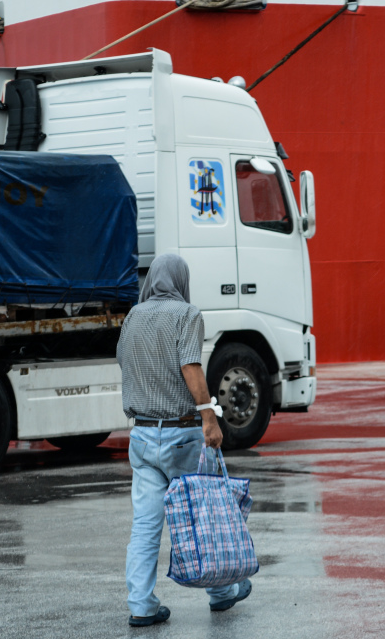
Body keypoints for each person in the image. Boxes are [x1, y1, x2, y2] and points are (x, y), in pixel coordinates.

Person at [117, 253, 252, 628]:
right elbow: (190, 366)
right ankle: (222, 593)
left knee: (145, 525)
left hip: (142, 435)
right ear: (180, 280)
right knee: (201, 514)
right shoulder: (186, 314)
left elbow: (124, 362)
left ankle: (142, 606)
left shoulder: (133, 317)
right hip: (181, 434)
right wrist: (209, 417)